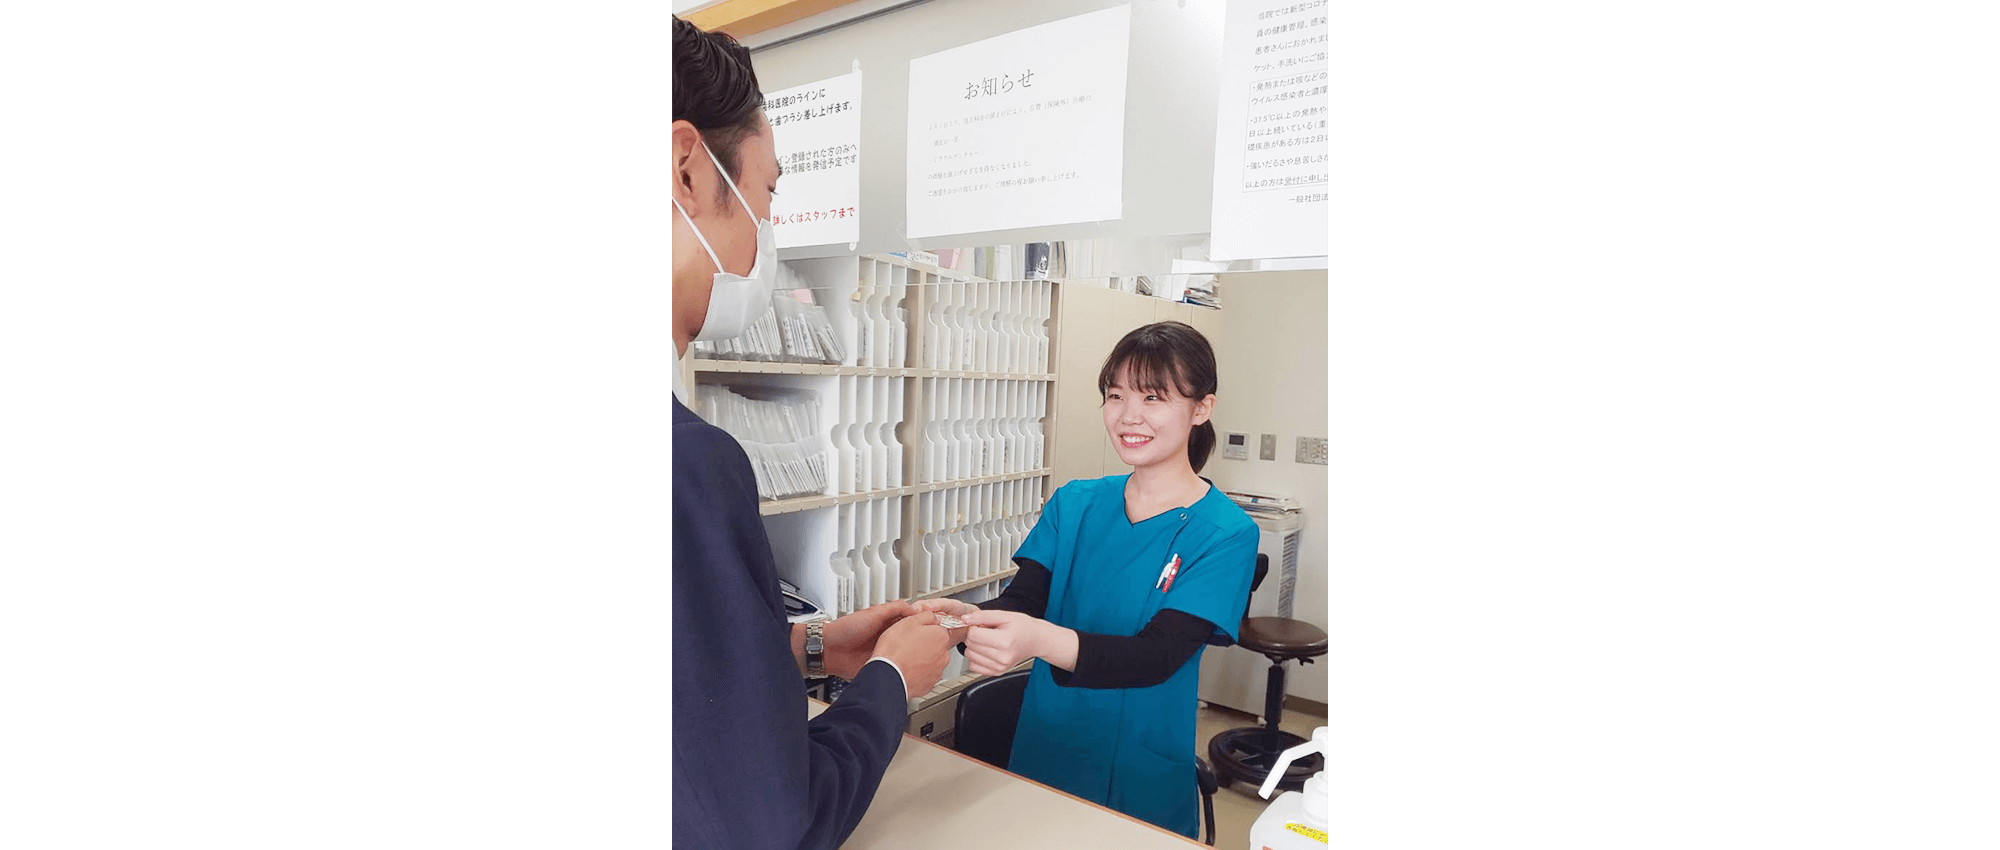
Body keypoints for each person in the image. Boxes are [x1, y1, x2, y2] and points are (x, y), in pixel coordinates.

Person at [671, 16, 969, 850]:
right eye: (769, 194)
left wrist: (803, 650)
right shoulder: (694, 468)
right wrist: (888, 681)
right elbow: (766, 825)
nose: (769, 232)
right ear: (687, 168)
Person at [913, 321, 1258, 839]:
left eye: (1153, 397)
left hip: (1140, 763)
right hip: (1046, 740)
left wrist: (1035, 639)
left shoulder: (1227, 533)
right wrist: (968, 620)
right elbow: (1026, 599)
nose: (1128, 416)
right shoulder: (1076, 502)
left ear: (1201, 408)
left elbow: (1157, 656)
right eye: (1114, 395)